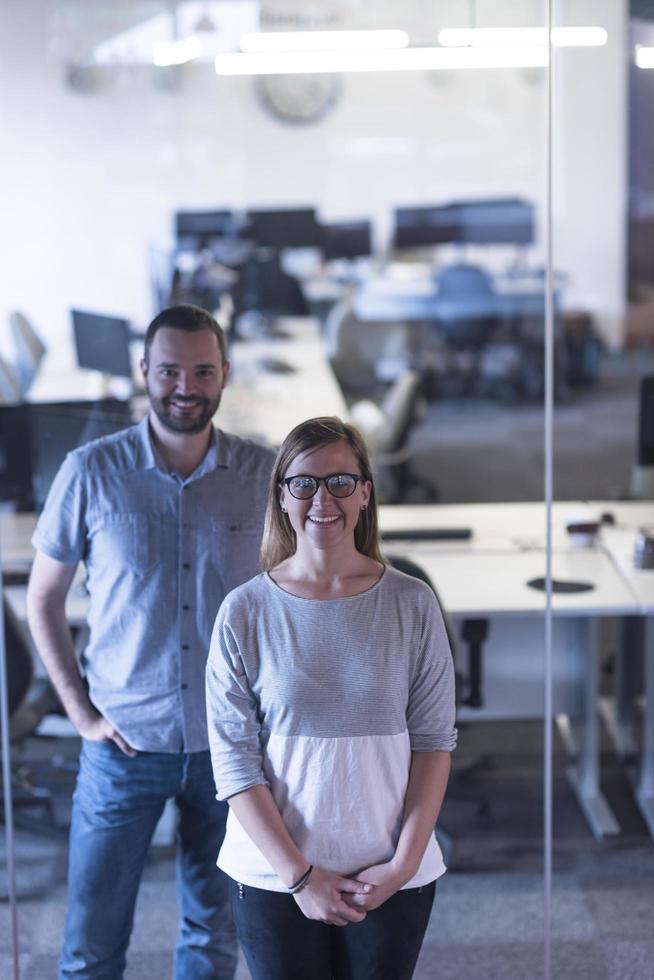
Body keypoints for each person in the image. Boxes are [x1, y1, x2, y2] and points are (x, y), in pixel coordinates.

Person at [26, 304, 275, 979]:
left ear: (225, 374)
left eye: (201, 371)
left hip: (230, 748)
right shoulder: (91, 472)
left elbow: (296, 601)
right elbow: (41, 599)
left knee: (213, 937)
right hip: (123, 744)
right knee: (90, 947)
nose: (185, 387)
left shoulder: (265, 476)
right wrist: (80, 715)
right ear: (144, 373)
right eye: (169, 371)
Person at [205, 416, 457, 980]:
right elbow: (234, 764)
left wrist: (402, 866)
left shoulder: (413, 604)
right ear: (282, 496)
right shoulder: (244, 612)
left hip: (389, 871)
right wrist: (300, 876)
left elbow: (435, 743)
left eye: (340, 481)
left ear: (366, 492)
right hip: (273, 874)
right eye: (304, 483)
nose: (323, 499)